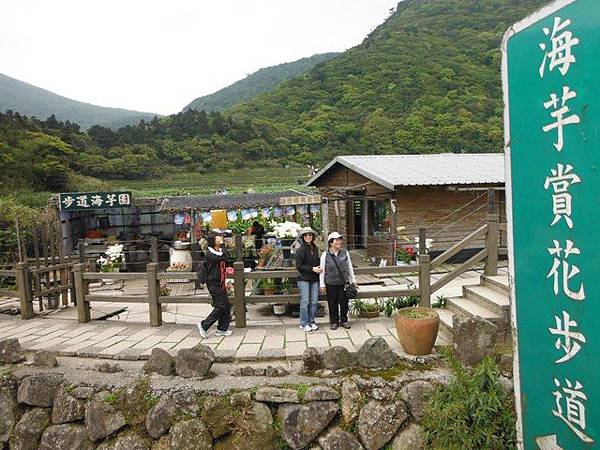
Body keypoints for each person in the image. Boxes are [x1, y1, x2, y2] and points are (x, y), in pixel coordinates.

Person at [197, 232, 232, 338]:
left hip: (221, 282)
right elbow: (223, 258)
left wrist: (222, 246)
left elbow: (227, 256)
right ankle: (204, 325)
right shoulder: (209, 254)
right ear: (213, 241)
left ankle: (222, 329)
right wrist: (223, 245)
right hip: (213, 283)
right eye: (218, 238)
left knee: (226, 305)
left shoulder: (219, 251)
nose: (220, 238)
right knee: (221, 306)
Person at [319, 231, 356, 330]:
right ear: (331, 243)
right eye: (336, 240)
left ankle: (344, 320)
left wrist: (353, 280)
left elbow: (349, 267)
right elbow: (322, 270)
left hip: (343, 283)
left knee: (344, 303)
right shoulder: (325, 255)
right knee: (332, 303)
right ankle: (334, 322)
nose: (339, 242)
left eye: (340, 240)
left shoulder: (345, 252)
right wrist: (322, 284)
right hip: (330, 283)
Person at [295, 227, 322, 332]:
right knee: (305, 301)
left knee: (314, 301)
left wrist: (320, 267)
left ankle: (312, 321)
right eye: (305, 235)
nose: (308, 237)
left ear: (313, 236)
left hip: (314, 278)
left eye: (310, 235)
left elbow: (317, 261)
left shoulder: (315, 248)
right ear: (303, 237)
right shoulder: (300, 250)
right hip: (303, 279)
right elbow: (299, 266)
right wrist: (312, 269)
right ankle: (304, 323)